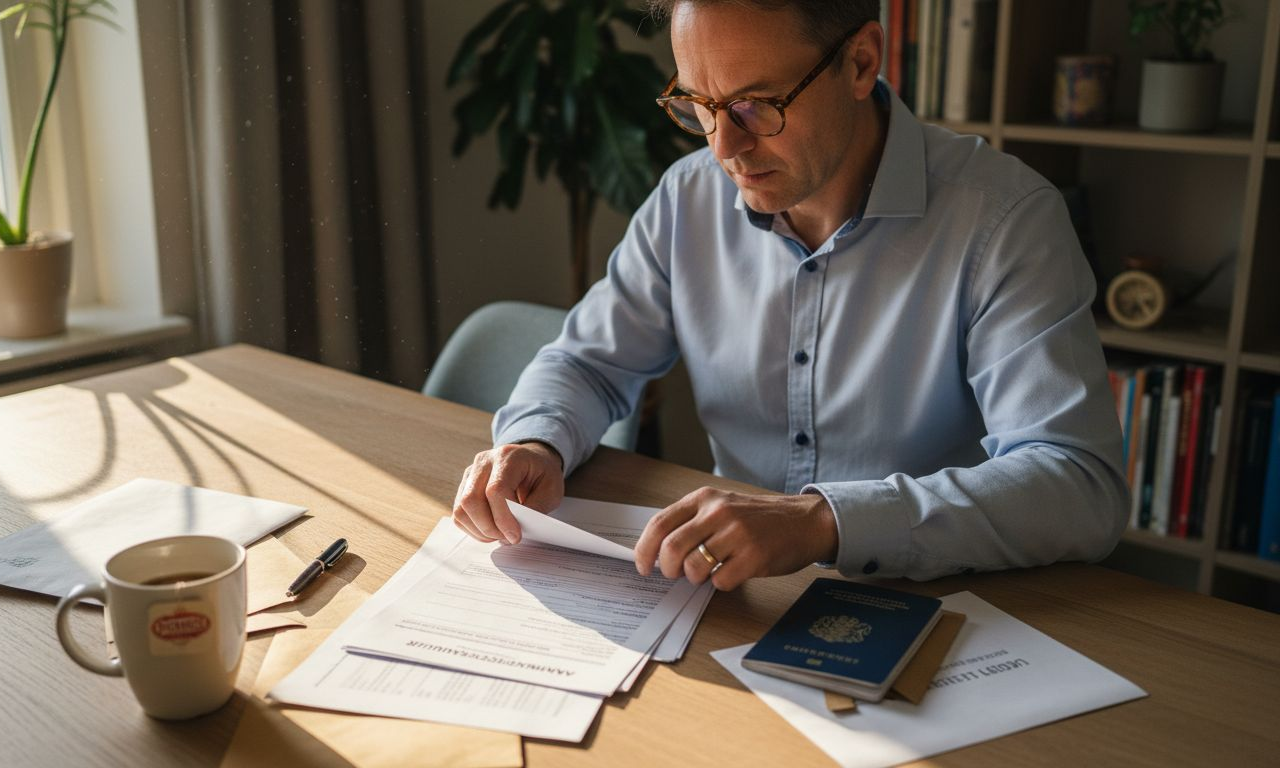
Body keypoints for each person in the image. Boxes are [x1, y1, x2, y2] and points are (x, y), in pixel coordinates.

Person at [450, 0, 1129, 589]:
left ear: (862, 62)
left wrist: (823, 521)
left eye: (756, 104)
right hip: (728, 597)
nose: (725, 148)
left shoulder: (1006, 220)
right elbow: (588, 364)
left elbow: (1078, 486)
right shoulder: (688, 200)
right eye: (699, 105)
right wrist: (536, 442)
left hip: (936, 604)